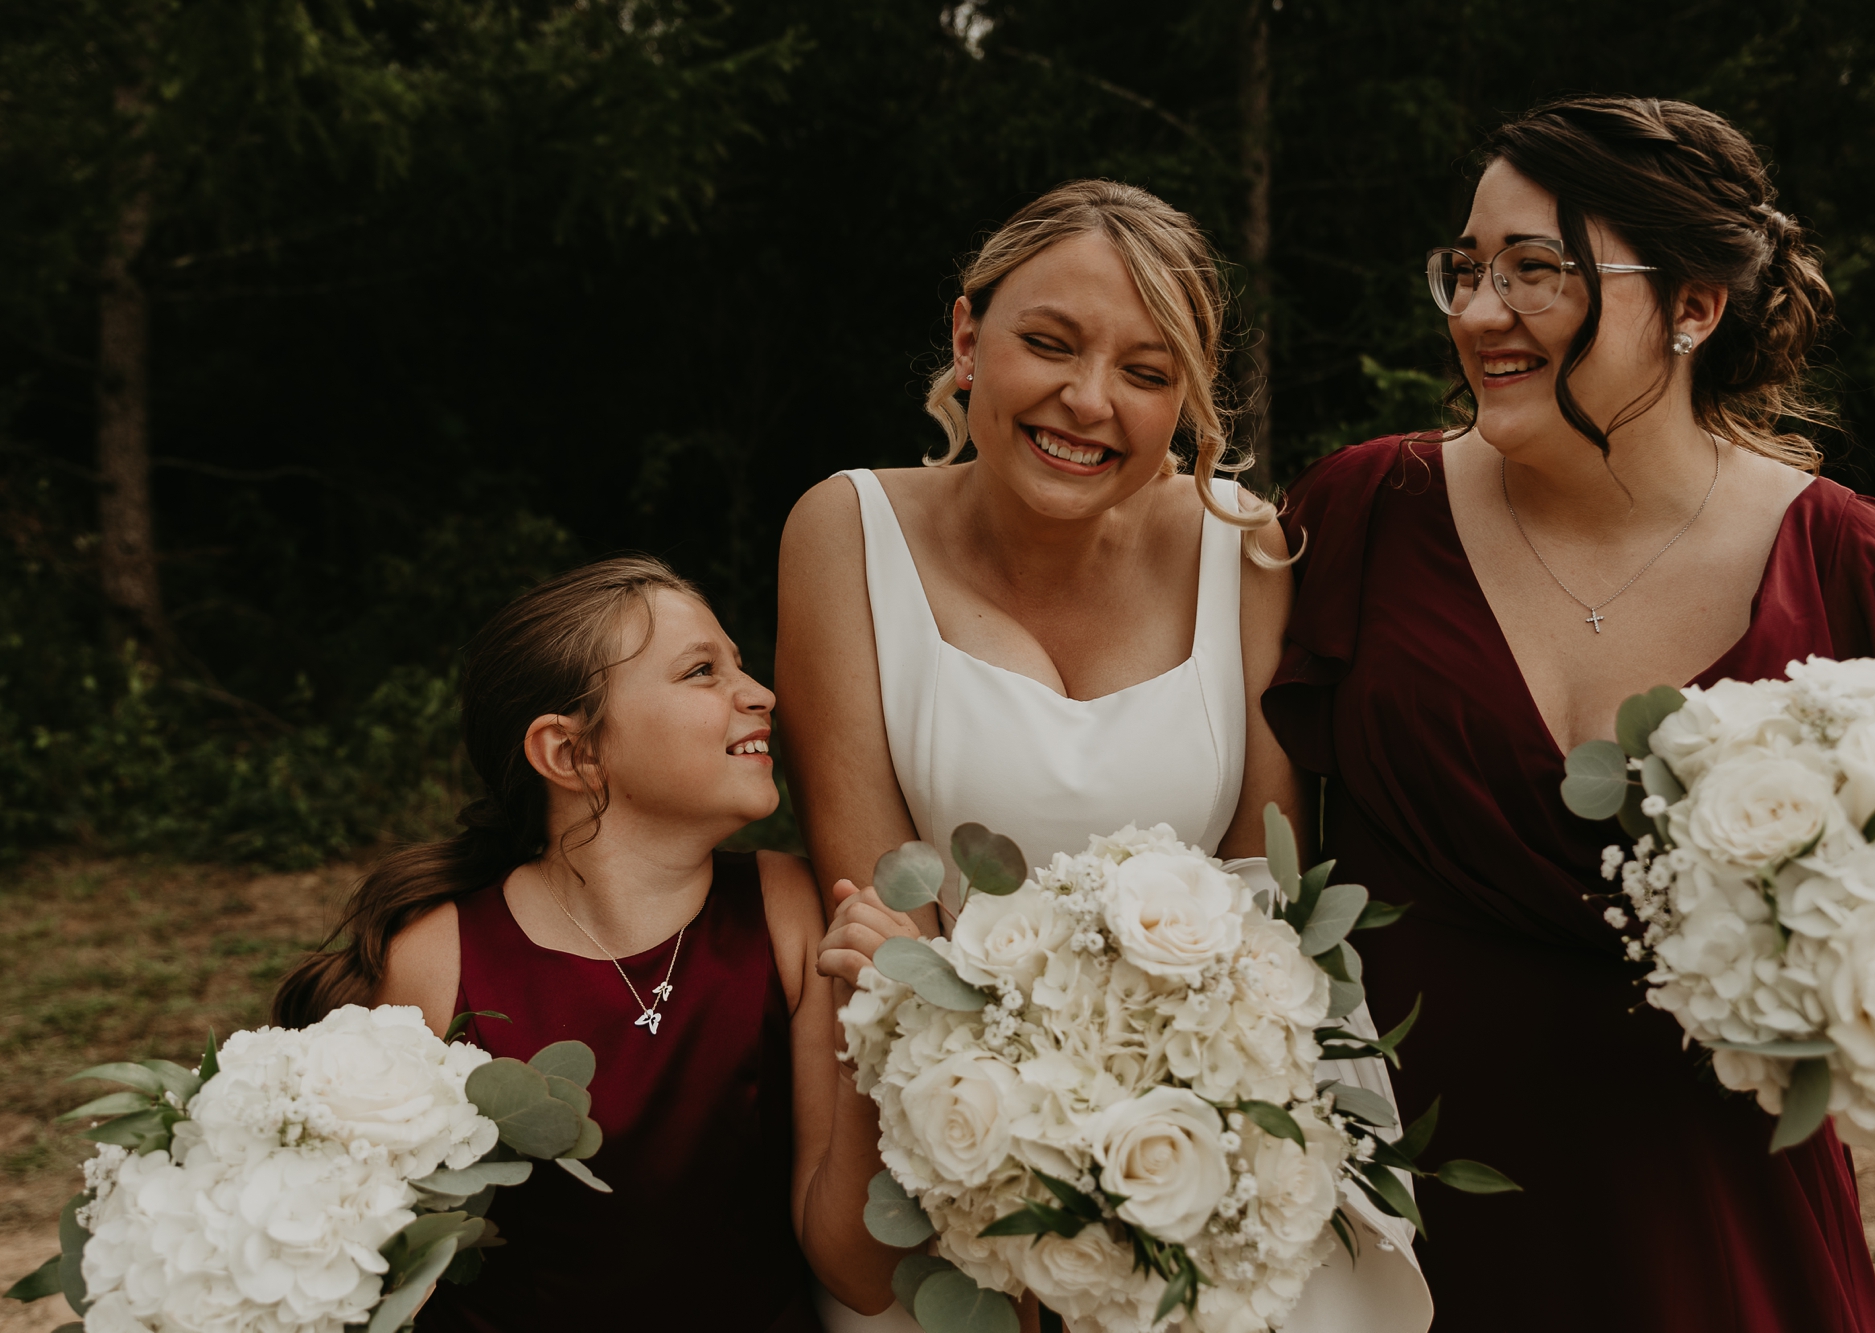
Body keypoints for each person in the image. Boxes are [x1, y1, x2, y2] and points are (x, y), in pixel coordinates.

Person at [1266, 94, 1875, 1332]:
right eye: (1466, 267)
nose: (1479, 312)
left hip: (1712, 1229)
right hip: (1399, 1238)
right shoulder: (1358, 512)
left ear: (1693, 306)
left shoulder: (1847, 560)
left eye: (1535, 270)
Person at [777, 179, 1432, 1332]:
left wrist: (1166, 1175)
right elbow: (882, 920)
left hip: (1198, 1150)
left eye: (1145, 371)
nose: (1087, 402)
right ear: (966, 338)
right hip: (944, 1130)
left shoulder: (1249, 550)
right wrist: (1027, 1169)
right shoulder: (843, 531)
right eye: (1047, 343)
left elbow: (1260, 909)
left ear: (1185, 397)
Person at [272, 556, 898, 1331]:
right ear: (572, 754)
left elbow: (860, 1275)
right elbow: (375, 1263)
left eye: (740, 663)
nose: (760, 692)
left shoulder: (790, 909)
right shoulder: (439, 960)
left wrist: (884, 1046)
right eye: (703, 670)